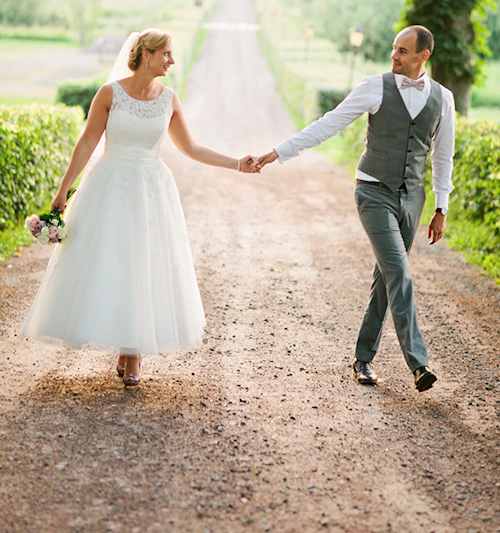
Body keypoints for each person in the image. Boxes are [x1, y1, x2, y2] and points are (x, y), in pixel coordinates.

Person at [22, 29, 259, 386]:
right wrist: (62, 191)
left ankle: (132, 353)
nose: (172, 61)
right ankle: (123, 343)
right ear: (145, 55)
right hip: (109, 185)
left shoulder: (169, 99)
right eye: (167, 53)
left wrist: (238, 163)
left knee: (144, 263)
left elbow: (191, 148)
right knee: (112, 262)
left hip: (151, 188)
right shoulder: (109, 94)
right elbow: (87, 144)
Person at [257, 25, 454, 393]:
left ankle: (363, 359)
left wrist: (441, 207)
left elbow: (443, 157)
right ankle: (419, 362)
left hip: (413, 197)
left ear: (423, 56)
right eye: (394, 48)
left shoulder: (443, 98)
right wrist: (279, 151)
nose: (393, 55)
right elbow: (330, 123)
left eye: (402, 51)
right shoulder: (375, 86)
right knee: (399, 271)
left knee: (387, 277)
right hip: (373, 192)